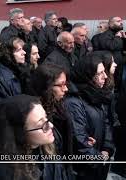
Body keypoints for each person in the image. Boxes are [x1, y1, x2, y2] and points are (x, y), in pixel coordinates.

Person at [0, 94, 55, 180]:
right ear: (21, 134)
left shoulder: (43, 147)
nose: (51, 125)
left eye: (46, 117)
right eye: (42, 124)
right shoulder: (4, 173)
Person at [64, 52, 115, 180]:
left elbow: (106, 122)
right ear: (87, 75)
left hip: (98, 161)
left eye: (104, 72)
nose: (105, 76)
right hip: (84, 169)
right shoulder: (74, 102)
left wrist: (107, 148)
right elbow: (78, 139)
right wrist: (97, 157)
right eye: (99, 73)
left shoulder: (96, 93)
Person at [29, 63, 74, 180]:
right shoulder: (35, 117)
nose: (66, 89)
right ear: (47, 87)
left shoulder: (58, 106)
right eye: (61, 85)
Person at [92, 16, 125, 90]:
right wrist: (117, 38)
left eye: (121, 21)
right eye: (118, 21)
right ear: (110, 24)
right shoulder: (105, 35)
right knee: (109, 86)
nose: (121, 23)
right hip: (109, 68)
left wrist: (124, 38)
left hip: (120, 66)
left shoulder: (119, 34)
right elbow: (112, 46)